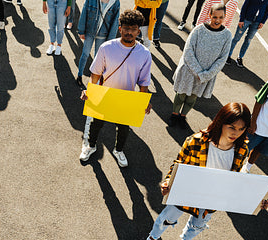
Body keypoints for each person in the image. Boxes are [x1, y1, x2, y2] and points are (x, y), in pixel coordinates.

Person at [145, 102, 265, 240]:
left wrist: (256, 199)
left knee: (198, 224)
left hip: (212, 198)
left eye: (241, 129)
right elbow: (178, 163)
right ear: (220, 122)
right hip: (186, 192)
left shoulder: (242, 149)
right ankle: (153, 237)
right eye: (232, 127)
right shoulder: (196, 141)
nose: (236, 133)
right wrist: (168, 182)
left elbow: (236, 178)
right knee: (167, 218)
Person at [79, 9, 152, 167]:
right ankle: (90, 146)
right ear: (120, 29)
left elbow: (144, 81)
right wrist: (90, 91)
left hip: (127, 97)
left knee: (123, 128)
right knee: (96, 123)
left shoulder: (144, 53)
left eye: (133, 29)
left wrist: (143, 101)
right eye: (126, 28)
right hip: (104, 93)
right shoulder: (107, 47)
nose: (129, 32)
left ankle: (118, 150)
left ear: (138, 31)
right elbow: (96, 73)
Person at [170, 4, 232, 128]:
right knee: (181, 94)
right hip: (189, 70)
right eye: (215, 17)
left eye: (221, 17)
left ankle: (183, 116)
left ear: (225, 17)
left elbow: (222, 58)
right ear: (210, 15)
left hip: (206, 74)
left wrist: (206, 74)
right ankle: (174, 114)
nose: (217, 20)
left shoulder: (227, 35)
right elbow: (188, 51)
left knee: (192, 97)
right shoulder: (198, 30)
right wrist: (198, 72)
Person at [76, 0, 120, 86]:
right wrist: (81, 30)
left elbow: (115, 22)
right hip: (89, 31)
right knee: (85, 54)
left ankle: (95, 82)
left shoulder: (115, 2)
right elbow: (84, 12)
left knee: (98, 58)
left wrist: (110, 39)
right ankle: (79, 75)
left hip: (103, 34)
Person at [226, 0, 268, 68]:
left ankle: (240, 58)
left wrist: (263, 22)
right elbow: (245, 5)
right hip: (246, 19)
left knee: (248, 40)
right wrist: (241, 19)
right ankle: (228, 55)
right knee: (236, 38)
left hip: (257, 22)